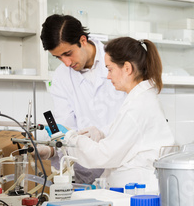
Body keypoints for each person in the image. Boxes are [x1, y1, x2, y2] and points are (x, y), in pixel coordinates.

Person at [63, 37, 175, 192]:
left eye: (110, 69)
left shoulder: (138, 105)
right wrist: (101, 133)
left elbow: (105, 155)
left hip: (138, 193)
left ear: (127, 68)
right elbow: (129, 136)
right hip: (134, 190)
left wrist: (70, 140)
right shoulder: (139, 99)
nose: (108, 76)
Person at [38, 14, 127, 184]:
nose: (65, 62)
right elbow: (65, 127)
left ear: (83, 40)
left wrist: (103, 133)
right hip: (87, 171)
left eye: (68, 53)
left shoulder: (119, 60)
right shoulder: (60, 77)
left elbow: (134, 114)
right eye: (58, 57)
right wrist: (51, 150)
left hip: (122, 167)